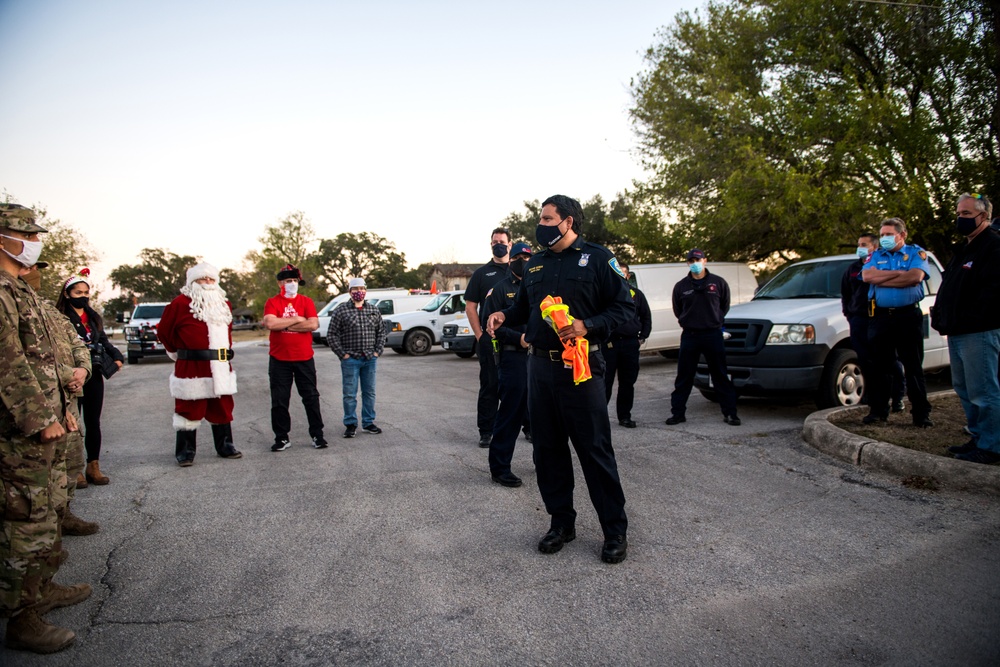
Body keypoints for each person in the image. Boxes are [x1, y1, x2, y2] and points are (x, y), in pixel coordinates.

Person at [486, 194, 632, 564]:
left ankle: (614, 530)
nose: (542, 225)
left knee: (593, 449)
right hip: (539, 368)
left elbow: (624, 307)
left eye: (548, 219)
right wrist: (504, 315)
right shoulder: (534, 264)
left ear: (568, 222)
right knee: (547, 449)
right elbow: (522, 307)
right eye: (541, 218)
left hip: (581, 368)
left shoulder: (599, 259)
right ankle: (561, 523)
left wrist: (587, 325)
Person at [0, 203, 92, 654]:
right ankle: (21, 618)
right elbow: (8, 364)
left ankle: (39, 593)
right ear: (4, 238)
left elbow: (48, 360)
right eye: (25, 234)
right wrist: (40, 419)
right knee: (25, 521)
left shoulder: (18, 291)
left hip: (47, 420)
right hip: (19, 432)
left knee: (46, 510)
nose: (34, 242)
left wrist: (62, 407)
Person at [931, 193, 1000, 464]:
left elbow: (992, 294)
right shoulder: (965, 248)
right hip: (959, 332)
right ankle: (978, 437)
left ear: (984, 216)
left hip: (979, 331)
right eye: (959, 214)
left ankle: (992, 446)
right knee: (965, 388)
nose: (961, 219)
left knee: (983, 389)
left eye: (967, 215)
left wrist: (968, 318)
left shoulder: (992, 247)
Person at [157, 262, 243, 466]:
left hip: (220, 364)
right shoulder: (179, 304)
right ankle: (185, 451)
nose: (207, 283)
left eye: (211, 279)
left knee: (222, 407)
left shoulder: (224, 304)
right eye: (202, 279)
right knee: (189, 407)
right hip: (191, 365)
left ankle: (225, 446)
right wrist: (175, 352)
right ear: (192, 282)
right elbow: (164, 332)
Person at [55, 267, 125, 485]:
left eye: (86, 293)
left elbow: (103, 340)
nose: (83, 297)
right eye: (78, 293)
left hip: (94, 373)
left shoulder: (93, 317)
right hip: (71, 373)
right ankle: (73, 468)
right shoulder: (59, 318)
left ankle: (93, 465)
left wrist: (116, 356)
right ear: (67, 294)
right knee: (73, 422)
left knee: (93, 421)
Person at [861, 218, 933, 427]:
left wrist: (882, 278)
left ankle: (921, 414)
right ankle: (878, 410)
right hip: (882, 317)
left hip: (907, 317)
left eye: (888, 234)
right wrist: (899, 273)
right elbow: (867, 276)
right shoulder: (876, 255)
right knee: (880, 366)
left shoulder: (915, 253)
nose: (884, 238)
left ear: (902, 235)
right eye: (882, 235)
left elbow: (915, 277)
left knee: (913, 366)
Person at [666, 249, 740, 426]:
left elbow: (724, 306)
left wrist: (714, 321)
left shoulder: (718, 283)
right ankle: (678, 413)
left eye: (697, 259)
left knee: (720, 375)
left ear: (705, 260)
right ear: (688, 263)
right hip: (690, 336)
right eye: (691, 260)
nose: (695, 263)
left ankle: (730, 413)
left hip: (712, 334)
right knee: (684, 376)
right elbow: (678, 310)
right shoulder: (681, 286)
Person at [483, 241, 533, 487]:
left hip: (537, 358)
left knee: (540, 414)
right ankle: (500, 467)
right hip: (512, 357)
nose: (523, 260)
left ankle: (543, 462)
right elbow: (490, 326)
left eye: (527, 256)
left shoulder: (535, 285)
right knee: (511, 413)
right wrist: (519, 339)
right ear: (511, 260)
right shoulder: (499, 290)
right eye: (519, 257)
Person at [262, 264, 325, 451]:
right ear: (280, 282)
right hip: (279, 359)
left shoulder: (306, 301)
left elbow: (313, 324)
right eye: (288, 281)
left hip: (304, 358)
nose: (292, 284)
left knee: (311, 397)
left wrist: (285, 325)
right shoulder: (272, 302)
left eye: (295, 281)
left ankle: (317, 435)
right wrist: (297, 319)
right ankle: (281, 437)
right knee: (280, 400)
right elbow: (270, 322)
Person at [841, 235, 906, 411]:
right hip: (859, 320)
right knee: (865, 360)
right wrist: (849, 315)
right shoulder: (853, 269)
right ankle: (873, 398)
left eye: (864, 244)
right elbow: (846, 294)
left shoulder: (882, 265)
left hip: (880, 318)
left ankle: (898, 396)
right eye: (858, 244)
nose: (860, 247)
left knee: (889, 361)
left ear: (874, 247)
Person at [464, 227, 512, 447]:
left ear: (510, 244)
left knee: (522, 386)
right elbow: (471, 306)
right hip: (490, 340)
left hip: (517, 338)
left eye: (502, 241)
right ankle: (486, 431)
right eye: (494, 242)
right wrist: (479, 334)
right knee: (490, 386)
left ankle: (529, 427)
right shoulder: (482, 274)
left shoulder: (521, 270)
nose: (498, 245)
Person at [327, 277, 386, 438]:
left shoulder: (373, 310)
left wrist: (377, 352)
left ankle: (368, 422)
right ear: (349, 292)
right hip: (350, 359)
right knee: (349, 394)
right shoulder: (341, 310)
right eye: (355, 289)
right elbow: (332, 334)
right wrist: (343, 354)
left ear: (365, 291)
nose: (359, 292)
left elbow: (381, 332)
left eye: (361, 289)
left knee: (369, 392)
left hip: (369, 359)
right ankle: (350, 424)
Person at [604, 262, 652, 428]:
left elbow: (646, 317)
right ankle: (600, 417)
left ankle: (624, 416)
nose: (620, 276)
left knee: (627, 382)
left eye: (622, 273)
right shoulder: (605, 295)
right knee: (605, 382)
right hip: (609, 345)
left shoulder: (636, 295)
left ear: (627, 275)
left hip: (631, 344)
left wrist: (642, 337)